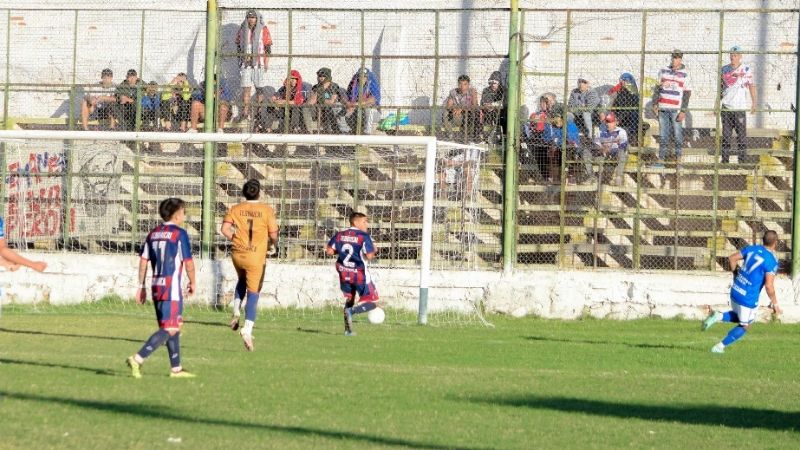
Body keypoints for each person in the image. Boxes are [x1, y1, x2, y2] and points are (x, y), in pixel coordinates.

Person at [126, 198, 196, 378]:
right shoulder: (179, 234)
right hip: (171, 288)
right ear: (177, 214)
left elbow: (143, 261)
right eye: (183, 211)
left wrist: (141, 286)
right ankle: (138, 358)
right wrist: (193, 281)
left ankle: (176, 369)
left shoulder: (153, 234)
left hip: (156, 286)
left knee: (171, 327)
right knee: (171, 327)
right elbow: (188, 262)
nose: (184, 214)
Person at [221, 179, 279, 351]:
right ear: (259, 192)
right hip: (255, 256)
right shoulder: (266, 210)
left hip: (238, 254)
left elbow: (224, 229)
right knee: (254, 293)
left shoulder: (235, 209)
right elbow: (274, 234)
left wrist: (236, 240)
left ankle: (236, 311)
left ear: (244, 193)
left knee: (241, 279)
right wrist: (275, 244)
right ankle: (247, 330)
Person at [701, 230, 780, 353]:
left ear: (763, 240)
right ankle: (719, 347)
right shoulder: (771, 261)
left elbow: (732, 258)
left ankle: (719, 316)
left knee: (741, 317)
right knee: (745, 325)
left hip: (736, 290)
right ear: (775, 243)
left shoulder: (752, 248)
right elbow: (769, 286)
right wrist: (775, 304)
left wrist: (735, 274)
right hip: (748, 298)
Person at [326, 212, 379, 336]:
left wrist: (342, 253)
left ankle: (348, 330)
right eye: (364, 221)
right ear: (356, 222)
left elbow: (329, 251)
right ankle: (353, 311)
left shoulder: (339, 235)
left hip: (344, 273)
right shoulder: (363, 236)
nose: (367, 224)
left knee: (350, 299)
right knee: (374, 301)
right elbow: (370, 256)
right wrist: (374, 249)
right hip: (360, 275)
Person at [653, 50, 691, 166]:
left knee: (678, 136)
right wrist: (655, 103)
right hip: (663, 108)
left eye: (678, 58)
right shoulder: (663, 71)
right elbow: (657, 88)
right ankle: (661, 160)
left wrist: (683, 110)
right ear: (672, 58)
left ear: (681, 59)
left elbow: (687, 93)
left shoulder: (685, 73)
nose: (675, 60)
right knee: (663, 136)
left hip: (675, 109)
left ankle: (678, 160)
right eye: (674, 57)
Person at [720, 45, 757, 163]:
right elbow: (721, 88)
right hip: (726, 108)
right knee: (726, 136)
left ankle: (742, 161)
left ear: (740, 56)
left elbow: (751, 86)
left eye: (735, 55)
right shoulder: (724, 69)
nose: (733, 57)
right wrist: (717, 104)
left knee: (741, 137)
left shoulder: (746, 70)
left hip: (739, 108)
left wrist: (754, 102)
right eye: (731, 55)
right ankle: (725, 160)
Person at [235, 9, 272, 121]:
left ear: (257, 18)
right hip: (246, 63)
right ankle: (246, 113)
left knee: (259, 88)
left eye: (253, 17)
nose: (251, 20)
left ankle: (259, 112)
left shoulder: (263, 29)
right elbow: (238, 44)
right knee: (246, 88)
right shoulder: (243, 29)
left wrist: (266, 62)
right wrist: (240, 58)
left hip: (258, 63)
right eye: (249, 17)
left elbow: (268, 46)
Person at [257, 69, 307, 133]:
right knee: (270, 106)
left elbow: (298, 101)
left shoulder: (302, 88)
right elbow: (274, 97)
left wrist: (284, 101)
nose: (293, 81)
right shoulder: (283, 88)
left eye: (295, 79)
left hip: (296, 111)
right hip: (282, 109)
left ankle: (294, 128)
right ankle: (267, 128)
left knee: (295, 107)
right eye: (291, 79)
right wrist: (275, 100)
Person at [543, 105, 581, 184]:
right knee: (551, 149)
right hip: (558, 148)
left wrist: (558, 143)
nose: (556, 120)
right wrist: (553, 141)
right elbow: (547, 139)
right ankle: (553, 176)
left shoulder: (570, 125)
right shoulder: (552, 126)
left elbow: (572, 141)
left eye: (558, 118)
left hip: (571, 149)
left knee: (567, 149)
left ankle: (569, 176)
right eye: (554, 117)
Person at [602, 72, 642, 146]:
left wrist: (619, 118)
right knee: (606, 116)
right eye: (621, 81)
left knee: (634, 113)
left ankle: (633, 136)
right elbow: (615, 104)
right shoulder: (620, 91)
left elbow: (629, 108)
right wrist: (613, 114)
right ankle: (605, 137)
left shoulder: (634, 94)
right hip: (620, 114)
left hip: (628, 115)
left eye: (624, 80)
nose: (622, 82)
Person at [306, 67, 350, 134]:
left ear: (327, 77)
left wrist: (318, 99)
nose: (320, 78)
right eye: (319, 76)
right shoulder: (315, 87)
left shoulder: (333, 86)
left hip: (330, 109)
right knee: (306, 108)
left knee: (336, 106)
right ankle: (308, 132)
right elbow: (310, 102)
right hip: (318, 108)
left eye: (323, 76)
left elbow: (331, 101)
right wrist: (321, 90)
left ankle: (344, 131)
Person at [593, 112, 629, 186]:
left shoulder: (621, 132)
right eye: (606, 121)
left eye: (610, 122)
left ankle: (618, 177)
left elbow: (624, 145)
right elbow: (596, 145)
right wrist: (602, 149)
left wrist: (612, 149)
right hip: (603, 155)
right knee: (589, 154)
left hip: (616, 154)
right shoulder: (600, 131)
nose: (607, 124)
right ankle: (593, 178)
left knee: (622, 154)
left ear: (615, 122)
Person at [443, 74, 479, 143]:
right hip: (456, 116)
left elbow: (474, 105)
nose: (462, 86)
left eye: (465, 84)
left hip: (467, 116)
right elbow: (449, 105)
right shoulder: (453, 92)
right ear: (458, 84)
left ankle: (468, 137)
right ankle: (450, 136)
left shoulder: (472, 91)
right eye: (460, 84)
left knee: (473, 113)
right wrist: (453, 109)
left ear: (468, 84)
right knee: (446, 113)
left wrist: (462, 108)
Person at [345, 68, 381, 135]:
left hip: (373, 114)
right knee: (345, 112)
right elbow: (347, 98)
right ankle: (348, 132)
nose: (362, 78)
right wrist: (348, 104)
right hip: (356, 111)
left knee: (369, 109)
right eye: (360, 76)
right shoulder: (353, 85)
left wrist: (356, 104)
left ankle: (367, 133)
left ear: (367, 77)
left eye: (364, 76)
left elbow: (373, 99)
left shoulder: (371, 85)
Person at [480, 71, 506, 144]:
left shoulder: (504, 90)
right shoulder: (486, 90)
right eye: (491, 83)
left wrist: (493, 104)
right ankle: (486, 136)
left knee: (503, 116)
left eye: (495, 83)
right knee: (488, 115)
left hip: (501, 112)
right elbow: (484, 102)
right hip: (489, 112)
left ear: (499, 83)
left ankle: (502, 137)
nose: (493, 85)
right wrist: (489, 106)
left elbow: (504, 103)